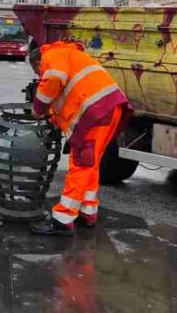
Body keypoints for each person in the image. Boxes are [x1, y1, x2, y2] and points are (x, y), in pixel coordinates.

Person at [28, 39, 130, 236]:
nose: (39, 75)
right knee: (91, 164)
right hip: (108, 109)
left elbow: (54, 79)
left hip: (95, 112)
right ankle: (87, 211)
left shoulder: (52, 55)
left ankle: (63, 219)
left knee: (81, 164)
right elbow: (67, 96)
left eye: (37, 72)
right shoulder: (70, 55)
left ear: (38, 62)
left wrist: (38, 109)